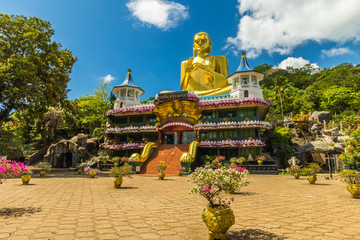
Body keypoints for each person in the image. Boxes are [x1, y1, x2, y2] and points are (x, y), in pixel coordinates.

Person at [180, 32, 232, 96]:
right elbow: (183, 87)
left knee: (231, 88)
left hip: (212, 92)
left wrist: (210, 72)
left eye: (203, 41)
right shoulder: (186, 63)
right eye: (197, 41)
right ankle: (195, 95)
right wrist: (188, 74)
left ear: (210, 44)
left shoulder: (219, 59)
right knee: (165, 93)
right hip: (191, 93)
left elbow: (226, 81)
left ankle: (197, 95)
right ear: (193, 46)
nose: (200, 43)